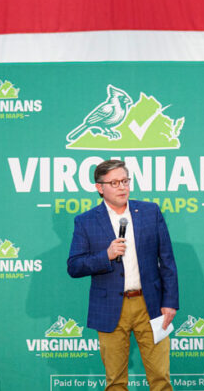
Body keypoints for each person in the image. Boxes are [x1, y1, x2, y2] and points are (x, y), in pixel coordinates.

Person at [67, 159, 179, 391]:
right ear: (100, 188)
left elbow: (167, 260)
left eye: (125, 181)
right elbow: (74, 266)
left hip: (151, 305)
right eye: (114, 182)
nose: (122, 187)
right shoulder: (86, 221)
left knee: (160, 378)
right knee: (116, 382)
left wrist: (170, 302)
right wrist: (105, 255)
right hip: (109, 308)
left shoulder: (150, 212)